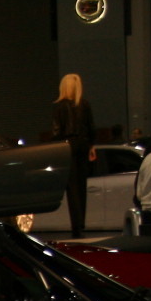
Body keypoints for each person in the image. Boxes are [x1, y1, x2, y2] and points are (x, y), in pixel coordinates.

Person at [52, 74, 96, 237]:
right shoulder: (84, 104)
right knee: (81, 186)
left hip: (67, 146)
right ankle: (81, 225)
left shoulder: (60, 107)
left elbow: (56, 131)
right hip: (83, 145)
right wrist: (91, 146)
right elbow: (91, 127)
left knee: (72, 189)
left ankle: (76, 226)